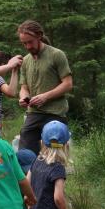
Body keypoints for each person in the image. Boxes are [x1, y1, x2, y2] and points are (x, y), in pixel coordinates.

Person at [16, 20, 72, 154]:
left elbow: (68, 84)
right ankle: (30, 174)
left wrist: (45, 97)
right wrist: (24, 97)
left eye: (30, 42)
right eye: (24, 43)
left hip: (55, 114)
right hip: (33, 114)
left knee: (55, 156)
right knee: (25, 155)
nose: (28, 46)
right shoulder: (26, 61)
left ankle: (55, 174)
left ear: (39, 36)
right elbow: (24, 87)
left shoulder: (56, 55)